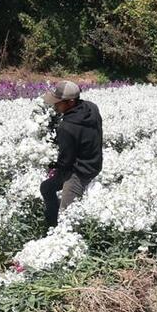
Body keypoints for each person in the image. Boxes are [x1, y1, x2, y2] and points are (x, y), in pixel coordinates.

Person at [40, 80, 102, 228]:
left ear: (71, 102)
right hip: (94, 162)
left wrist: (54, 168)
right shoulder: (91, 108)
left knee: (66, 217)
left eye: (58, 102)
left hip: (79, 172)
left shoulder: (67, 127)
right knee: (47, 187)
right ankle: (51, 224)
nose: (55, 105)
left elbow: (66, 162)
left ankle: (60, 231)